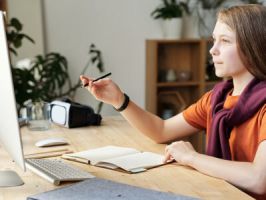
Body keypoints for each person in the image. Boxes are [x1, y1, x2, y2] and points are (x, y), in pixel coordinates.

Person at [80, 4, 266, 199]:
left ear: (254, 46)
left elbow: (259, 179)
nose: (213, 50)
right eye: (214, 40)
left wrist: (192, 157)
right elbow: (161, 130)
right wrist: (119, 100)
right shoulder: (216, 99)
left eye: (225, 41)